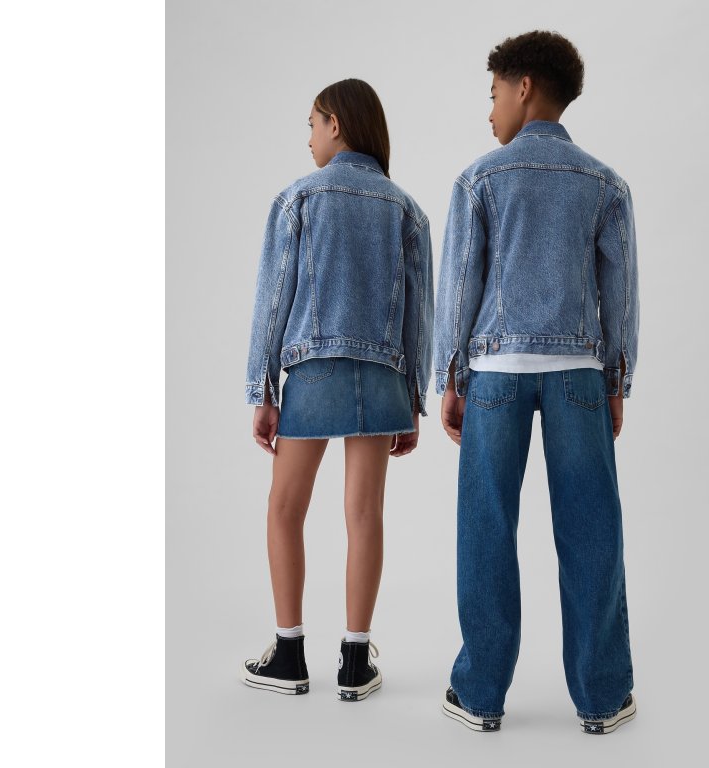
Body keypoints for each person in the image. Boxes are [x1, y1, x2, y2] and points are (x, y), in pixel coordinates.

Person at [433, 31, 640, 734]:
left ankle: (479, 696)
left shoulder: (479, 179)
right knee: (591, 530)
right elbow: (620, 295)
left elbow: (460, 288)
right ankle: (603, 699)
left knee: (486, 530)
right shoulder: (605, 184)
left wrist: (452, 376)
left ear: (524, 88)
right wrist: (616, 379)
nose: (490, 110)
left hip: (494, 375)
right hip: (580, 375)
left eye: (494, 93)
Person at [241, 78, 434, 702]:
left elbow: (274, 301)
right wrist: (414, 399)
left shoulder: (298, 198)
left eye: (312, 123)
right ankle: (355, 661)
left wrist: (262, 388)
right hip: (382, 378)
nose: (308, 138)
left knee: (285, 508)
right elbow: (420, 319)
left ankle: (289, 654)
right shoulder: (407, 209)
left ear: (337, 125)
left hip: (313, 371)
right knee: (365, 514)